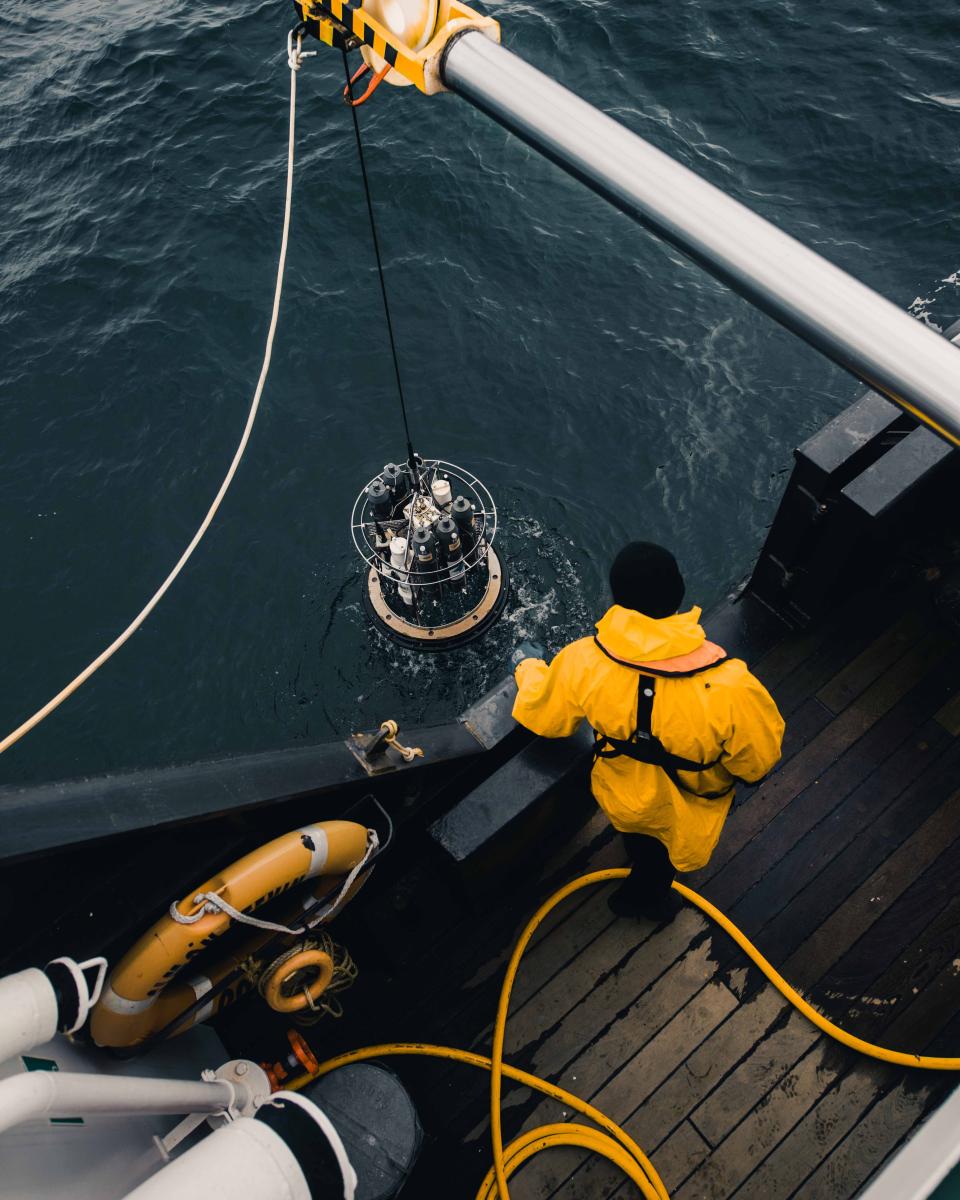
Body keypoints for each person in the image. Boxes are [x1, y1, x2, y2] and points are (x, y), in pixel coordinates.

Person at [512, 542, 785, 922]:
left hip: (622, 795)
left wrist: (527, 669)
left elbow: (543, 714)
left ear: (618, 599)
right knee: (660, 862)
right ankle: (642, 901)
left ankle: (640, 876)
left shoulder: (583, 660)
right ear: (679, 593)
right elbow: (757, 764)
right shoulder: (732, 687)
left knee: (639, 842)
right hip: (688, 810)